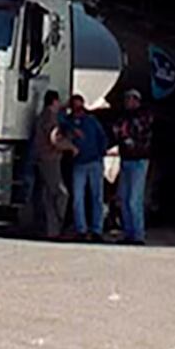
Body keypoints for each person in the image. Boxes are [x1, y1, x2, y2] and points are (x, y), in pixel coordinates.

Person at [62, 93, 110, 241]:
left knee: (97, 196)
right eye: (75, 106)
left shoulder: (91, 121)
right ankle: (81, 229)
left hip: (94, 161)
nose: (78, 109)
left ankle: (97, 229)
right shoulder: (68, 123)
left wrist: (100, 153)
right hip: (79, 163)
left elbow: (103, 137)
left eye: (80, 106)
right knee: (78, 197)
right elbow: (59, 119)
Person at [111, 88, 154, 245]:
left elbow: (138, 131)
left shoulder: (144, 116)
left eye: (131, 99)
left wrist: (126, 133)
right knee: (123, 198)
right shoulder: (123, 117)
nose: (128, 102)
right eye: (126, 99)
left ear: (137, 100)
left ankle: (138, 234)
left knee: (134, 199)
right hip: (126, 159)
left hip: (139, 160)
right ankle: (128, 233)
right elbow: (116, 130)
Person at [31, 90, 73, 239]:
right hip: (50, 159)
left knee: (48, 195)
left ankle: (51, 230)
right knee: (61, 193)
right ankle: (59, 224)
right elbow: (55, 139)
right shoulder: (51, 118)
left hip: (42, 158)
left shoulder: (42, 116)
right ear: (54, 101)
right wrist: (71, 147)